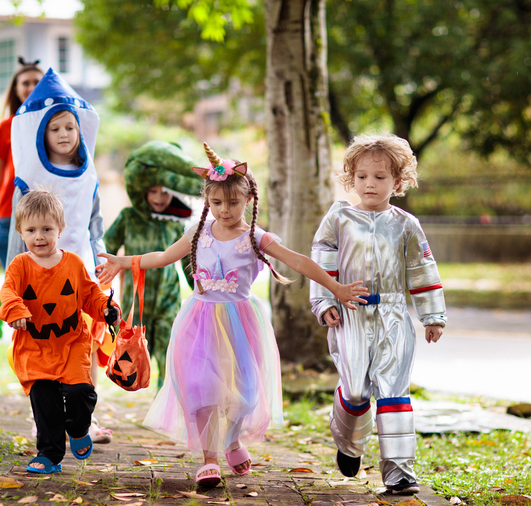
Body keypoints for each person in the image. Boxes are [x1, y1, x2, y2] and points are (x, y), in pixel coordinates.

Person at [97, 143, 368, 487]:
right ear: (207, 202)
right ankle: (209, 459)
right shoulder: (199, 233)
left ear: (249, 200)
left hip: (241, 323)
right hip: (199, 322)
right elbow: (164, 256)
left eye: (233, 202)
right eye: (217, 203)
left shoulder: (255, 238)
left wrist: (336, 288)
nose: (225, 210)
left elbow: (297, 261)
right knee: (201, 387)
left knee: (245, 393)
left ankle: (233, 439)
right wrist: (124, 262)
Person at [309, 132, 446, 496]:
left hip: (394, 316)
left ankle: (399, 471)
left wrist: (432, 316)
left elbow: (422, 270)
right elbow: (321, 259)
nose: (370, 184)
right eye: (362, 176)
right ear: (351, 179)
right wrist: (324, 304)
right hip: (349, 313)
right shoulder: (339, 217)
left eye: (380, 177)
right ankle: (348, 444)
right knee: (355, 391)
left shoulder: (406, 225)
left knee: (393, 391)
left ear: (398, 182)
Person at [5, 68, 114, 444]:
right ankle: (44, 419)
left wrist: (102, 259)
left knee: (86, 340)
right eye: (55, 128)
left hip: (79, 267)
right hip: (37, 274)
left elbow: (95, 220)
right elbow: (17, 230)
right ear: (41, 133)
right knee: (41, 345)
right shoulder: (31, 174)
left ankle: (88, 419)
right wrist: (13, 279)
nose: (65, 134)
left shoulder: (88, 173)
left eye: (70, 127)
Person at [0, 190, 120, 473]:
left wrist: (105, 308)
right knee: (44, 401)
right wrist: (15, 311)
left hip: (71, 341)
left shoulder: (74, 264)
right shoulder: (20, 266)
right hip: (34, 345)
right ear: (20, 232)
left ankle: (78, 429)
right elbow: (8, 293)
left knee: (80, 392)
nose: (39, 236)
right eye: (31, 230)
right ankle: (49, 455)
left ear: (60, 229)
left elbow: (90, 295)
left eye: (46, 229)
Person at [103, 141, 203, 388]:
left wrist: (199, 288)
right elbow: (108, 247)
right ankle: (133, 381)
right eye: (154, 191)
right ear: (144, 191)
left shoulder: (174, 224)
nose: (159, 197)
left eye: (165, 191)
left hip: (168, 298)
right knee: (134, 349)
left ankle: (166, 398)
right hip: (136, 300)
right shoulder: (128, 217)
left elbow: (187, 262)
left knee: (169, 350)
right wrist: (99, 275)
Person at [0, 58, 43, 268]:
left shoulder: (56, 124)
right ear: (16, 89)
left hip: (45, 215)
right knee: (16, 283)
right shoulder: (7, 126)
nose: (31, 88)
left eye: (36, 82)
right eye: (25, 83)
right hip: (8, 214)